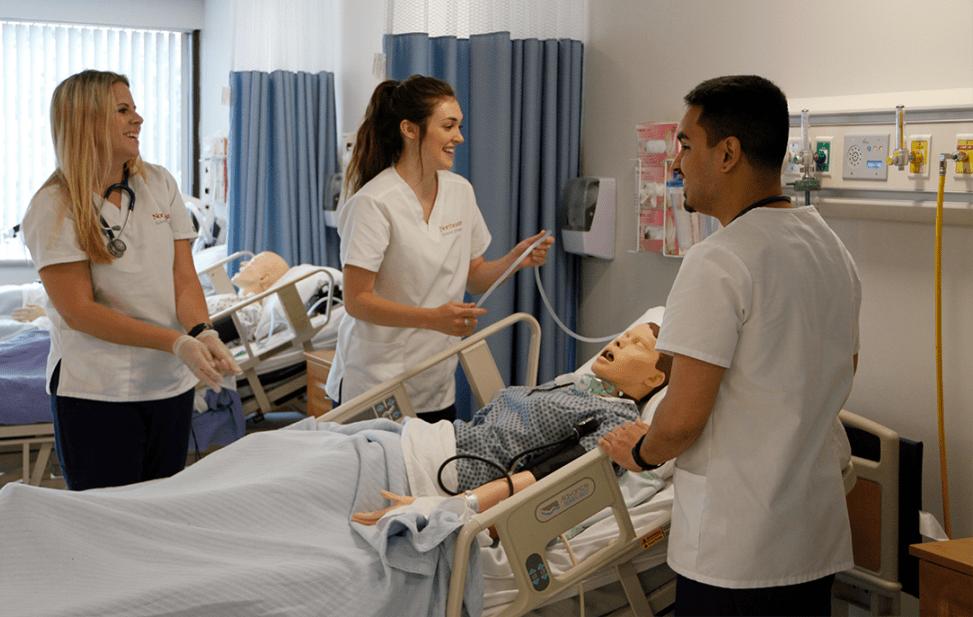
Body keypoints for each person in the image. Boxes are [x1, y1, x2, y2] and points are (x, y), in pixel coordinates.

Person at [600, 75, 861, 617]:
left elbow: (684, 417)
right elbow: (844, 370)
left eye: (686, 145)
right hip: (812, 539)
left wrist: (642, 453)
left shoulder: (718, 260)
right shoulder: (832, 249)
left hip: (736, 554)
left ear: (728, 154)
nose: (676, 162)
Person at [22, 69, 240, 492]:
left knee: (158, 513)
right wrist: (175, 342)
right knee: (106, 525)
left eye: (135, 109)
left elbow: (182, 277)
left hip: (167, 386)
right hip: (96, 392)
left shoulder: (158, 183)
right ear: (85, 121)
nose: (137, 119)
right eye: (123, 110)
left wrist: (201, 331)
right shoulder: (53, 205)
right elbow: (80, 312)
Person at [328, 75, 554, 422]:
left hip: (434, 379)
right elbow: (358, 301)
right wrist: (434, 318)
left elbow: (475, 278)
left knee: (432, 475)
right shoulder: (374, 202)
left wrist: (515, 260)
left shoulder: (460, 191)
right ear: (410, 129)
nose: (459, 137)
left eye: (459, 126)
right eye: (449, 126)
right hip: (376, 382)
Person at [355, 320, 672, 522]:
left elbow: (545, 478)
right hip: (424, 438)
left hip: (440, 471)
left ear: (655, 378)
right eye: (624, 334)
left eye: (637, 345)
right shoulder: (577, 383)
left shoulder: (618, 423)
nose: (619, 341)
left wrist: (443, 509)